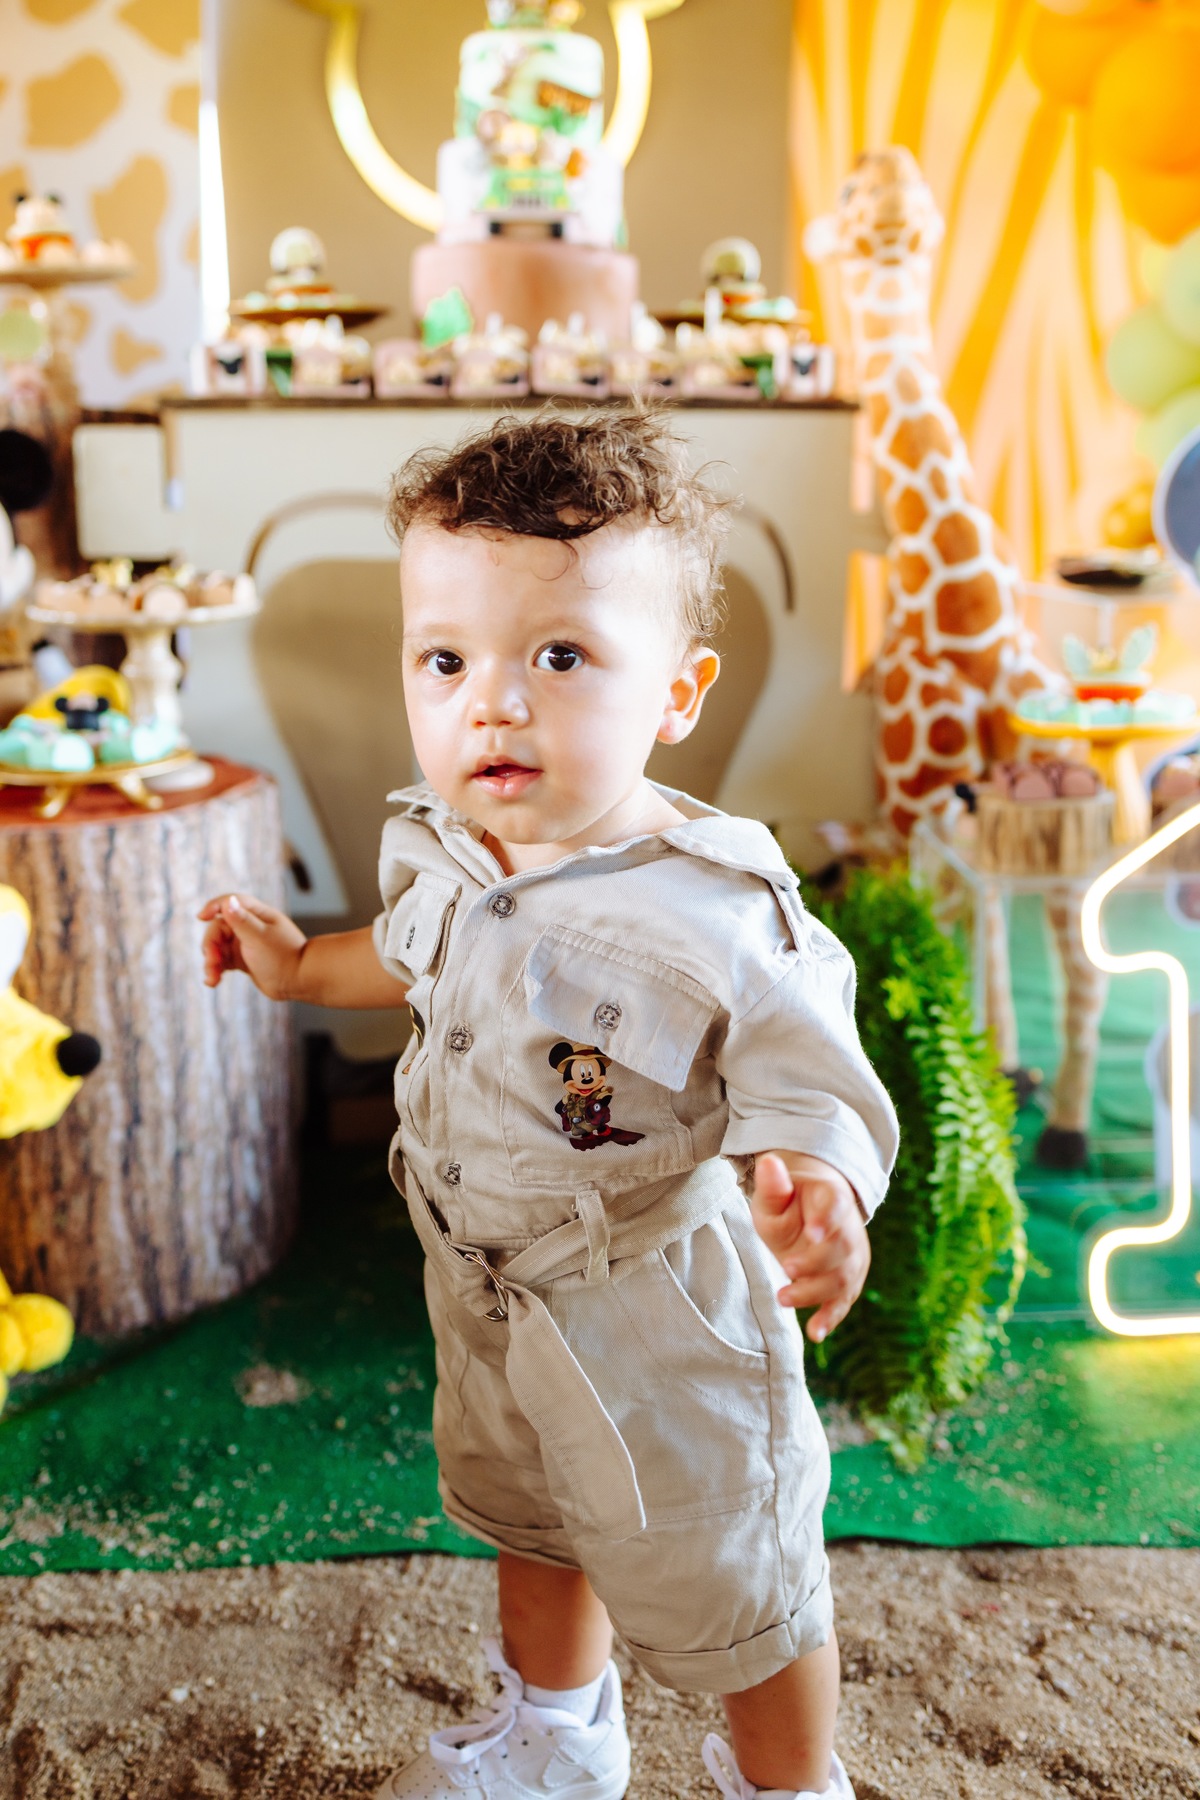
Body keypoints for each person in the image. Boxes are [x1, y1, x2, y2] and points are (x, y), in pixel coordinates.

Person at [199, 411, 899, 1800]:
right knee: (533, 1518)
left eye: (561, 657)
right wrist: (297, 965)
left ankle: (791, 1783)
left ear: (679, 692)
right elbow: (402, 955)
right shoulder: (448, 847)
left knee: (740, 1575)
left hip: (657, 1315)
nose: (492, 703)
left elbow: (814, 1076)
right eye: (446, 659)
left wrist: (820, 1190)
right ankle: (557, 1739)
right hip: (487, 1286)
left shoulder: (719, 908)